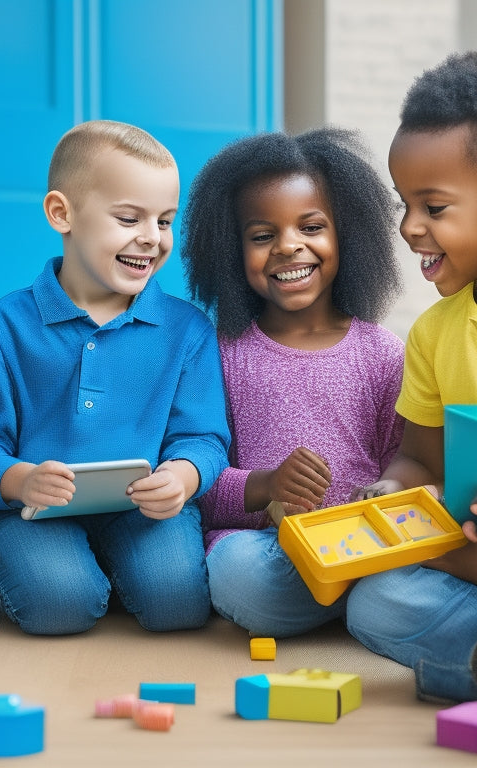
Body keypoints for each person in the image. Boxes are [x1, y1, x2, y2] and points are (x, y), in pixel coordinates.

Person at [0, 120, 230, 635]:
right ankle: (24, 570)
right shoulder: (4, 326)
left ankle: (106, 571)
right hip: (31, 514)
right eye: (128, 218)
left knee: (177, 606)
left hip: (140, 512)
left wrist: (183, 478)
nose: (151, 238)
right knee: (61, 606)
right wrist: (22, 481)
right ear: (62, 213)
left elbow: (204, 438)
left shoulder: (187, 329)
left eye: (165, 221)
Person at [180, 127, 405, 638]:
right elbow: (200, 486)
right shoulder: (219, 353)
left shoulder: (382, 352)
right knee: (240, 575)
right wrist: (265, 487)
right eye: (262, 236)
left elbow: (401, 462)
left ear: (348, 235)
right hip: (264, 547)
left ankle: (355, 595)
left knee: (409, 579)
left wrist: (380, 499)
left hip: (360, 543)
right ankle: (355, 603)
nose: (288, 247)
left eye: (311, 227)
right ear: (228, 250)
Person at [345, 51, 477, 702]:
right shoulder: (434, 333)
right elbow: (419, 458)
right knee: (377, 603)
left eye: (433, 206)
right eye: (404, 203)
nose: (408, 227)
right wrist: (387, 490)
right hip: (462, 556)